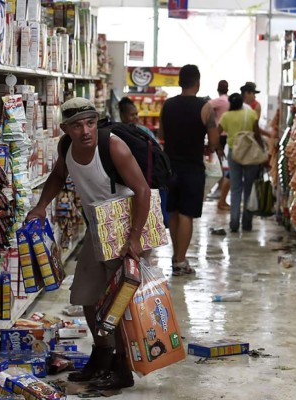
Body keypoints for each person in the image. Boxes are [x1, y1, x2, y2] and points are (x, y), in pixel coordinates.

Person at [25, 97, 151, 390]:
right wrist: (42, 205)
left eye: (90, 123)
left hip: (122, 223)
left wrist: (134, 238)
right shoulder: (65, 148)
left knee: (118, 304)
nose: (85, 131)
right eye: (78, 125)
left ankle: (123, 368)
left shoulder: (113, 147)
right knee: (87, 296)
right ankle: (102, 357)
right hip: (96, 224)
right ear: (65, 129)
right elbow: (58, 175)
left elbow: (143, 190)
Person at [159, 64, 221, 276]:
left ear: (179, 82)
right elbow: (213, 141)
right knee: (187, 215)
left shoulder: (167, 105)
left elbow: (162, 133)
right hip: (192, 168)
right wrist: (207, 146)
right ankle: (180, 261)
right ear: (198, 82)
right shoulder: (205, 108)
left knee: (174, 212)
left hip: (170, 167)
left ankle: (176, 257)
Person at [218, 93, 263, 232]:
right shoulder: (251, 114)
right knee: (249, 188)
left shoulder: (226, 116)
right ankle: (247, 222)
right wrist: (262, 151)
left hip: (234, 153)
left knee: (236, 188)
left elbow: (217, 132)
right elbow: (257, 134)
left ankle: (234, 222)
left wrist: (219, 149)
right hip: (250, 153)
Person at [208, 80, 231, 211]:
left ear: (218, 89)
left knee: (217, 162)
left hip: (219, 135)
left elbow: (206, 106)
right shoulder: (229, 101)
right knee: (222, 162)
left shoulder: (219, 100)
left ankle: (219, 187)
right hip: (228, 135)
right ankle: (219, 187)